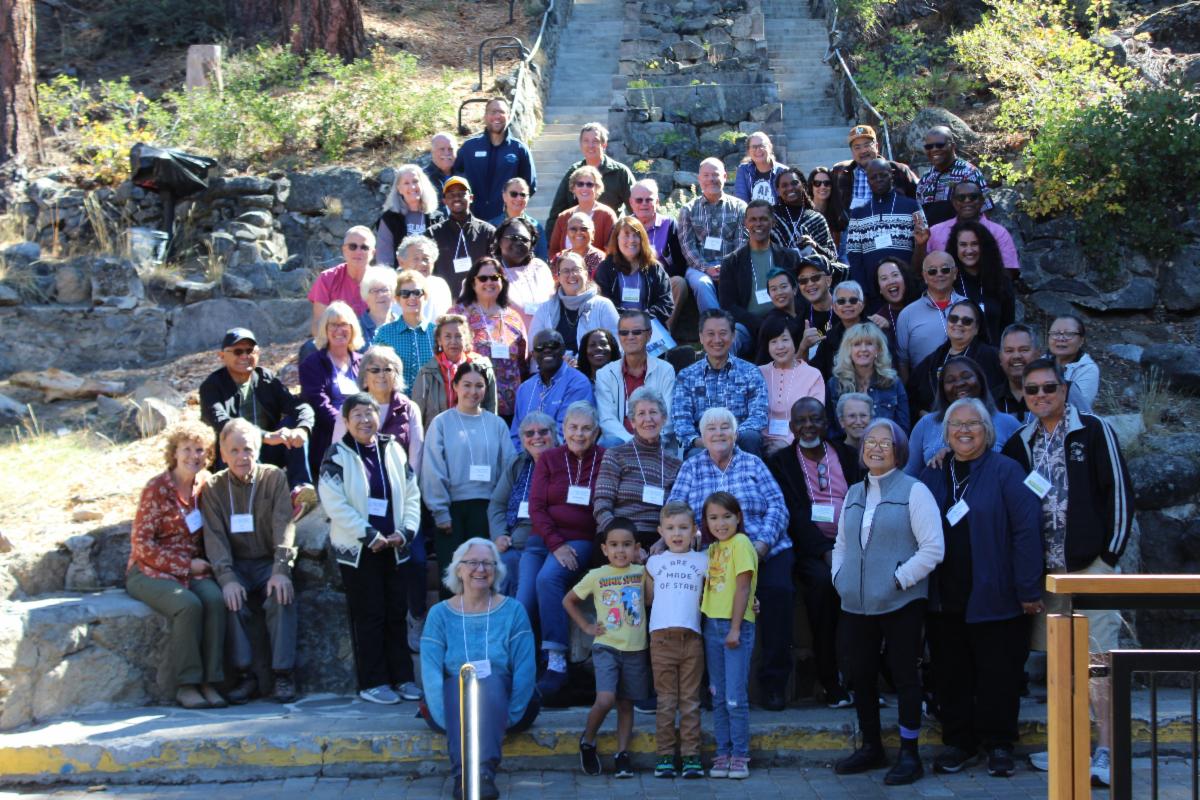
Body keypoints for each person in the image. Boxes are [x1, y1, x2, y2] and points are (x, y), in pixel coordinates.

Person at [1002, 357, 1133, 786]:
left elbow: (1119, 493)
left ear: (1064, 389)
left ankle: (1109, 751)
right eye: (1032, 390)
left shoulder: (1093, 430)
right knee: (1061, 665)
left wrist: (1108, 558)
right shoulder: (1019, 442)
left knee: (1099, 663)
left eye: (1048, 388)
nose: (1040, 395)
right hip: (1048, 574)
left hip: (1091, 566)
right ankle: (1070, 744)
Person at [917, 397, 1043, 778]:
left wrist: (1028, 588)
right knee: (951, 675)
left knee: (998, 675)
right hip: (944, 597)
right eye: (956, 424)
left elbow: (1026, 531)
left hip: (997, 594)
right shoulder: (933, 474)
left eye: (973, 424)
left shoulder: (1007, 471)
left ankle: (999, 744)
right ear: (946, 434)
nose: (964, 430)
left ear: (987, 431)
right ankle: (960, 743)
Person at [831, 418, 943, 784]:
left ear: (899, 451)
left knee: (904, 675)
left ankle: (910, 753)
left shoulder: (915, 491)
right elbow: (841, 544)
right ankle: (871, 746)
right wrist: (839, 578)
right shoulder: (853, 493)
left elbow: (932, 548)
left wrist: (898, 579)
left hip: (901, 602)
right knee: (861, 676)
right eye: (870, 442)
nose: (876, 448)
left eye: (885, 442)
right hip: (855, 603)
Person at [667, 407, 792, 711]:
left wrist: (761, 546)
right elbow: (676, 509)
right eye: (711, 429)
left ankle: (773, 683)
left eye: (725, 427)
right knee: (696, 601)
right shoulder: (692, 467)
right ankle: (710, 685)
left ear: (736, 434)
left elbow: (778, 506)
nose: (719, 433)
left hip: (763, 548)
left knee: (778, 592)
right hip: (713, 557)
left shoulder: (753, 463)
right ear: (702, 436)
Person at [318, 393, 424, 706]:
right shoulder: (337, 454)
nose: (365, 420)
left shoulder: (393, 448)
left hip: (394, 546)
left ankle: (402, 677)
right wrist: (369, 534)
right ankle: (374, 681)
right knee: (370, 615)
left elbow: (411, 493)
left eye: (370, 413)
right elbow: (334, 502)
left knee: (396, 613)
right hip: (360, 550)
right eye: (357, 415)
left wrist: (405, 531)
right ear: (346, 421)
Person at [420, 537, 538, 800]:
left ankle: (482, 775)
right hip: (452, 707)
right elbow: (430, 672)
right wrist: (445, 717)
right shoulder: (439, 614)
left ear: (497, 570)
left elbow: (525, 669)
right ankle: (465, 776)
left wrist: (507, 715)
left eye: (488, 563)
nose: (481, 569)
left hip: (507, 704)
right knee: (459, 683)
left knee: (490, 681)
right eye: (472, 562)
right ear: (458, 569)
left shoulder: (513, 611)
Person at [766, 398, 862, 708]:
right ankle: (830, 680)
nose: (809, 426)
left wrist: (851, 545)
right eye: (801, 421)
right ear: (792, 427)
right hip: (811, 550)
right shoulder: (781, 463)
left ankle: (867, 678)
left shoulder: (847, 455)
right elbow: (793, 513)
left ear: (827, 423)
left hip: (855, 543)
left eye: (815, 419)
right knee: (822, 584)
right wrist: (825, 552)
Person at [126, 420, 226, 709]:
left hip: (194, 569)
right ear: (174, 452)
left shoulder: (205, 483)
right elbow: (142, 544)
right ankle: (187, 684)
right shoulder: (157, 488)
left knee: (215, 600)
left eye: (200, 450)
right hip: (149, 570)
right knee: (188, 605)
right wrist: (185, 565)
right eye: (187, 449)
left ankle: (211, 680)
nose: (194, 456)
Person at [200, 419, 299, 704]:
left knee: (281, 596)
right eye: (234, 450)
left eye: (248, 449)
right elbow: (215, 538)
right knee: (230, 600)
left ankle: (283, 674)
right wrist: (227, 578)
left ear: (257, 450)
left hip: (268, 561)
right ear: (223, 453)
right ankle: (245, 676)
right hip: (237, 564)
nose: (242, 457)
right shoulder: (214, 487)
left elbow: (284, 525)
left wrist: (281, 569)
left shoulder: (273, 477)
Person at [526, 401, 606, 696]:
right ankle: (523, 668)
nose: (579, 434)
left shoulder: (605, 458)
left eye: (586, 428)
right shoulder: (549, 459)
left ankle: (556, 660)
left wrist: (562, 546)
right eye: (573, 427)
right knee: (522, 598)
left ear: (596, 432)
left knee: (548, 579)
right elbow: (536, 507)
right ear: (563, 429)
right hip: (544, 540)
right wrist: (555, 544)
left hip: (580, 539)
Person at [199, 327, 316, 514]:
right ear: (222, 356)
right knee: (236, 444)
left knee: (293, 425)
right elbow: (224, 424)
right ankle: (261, 503)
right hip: (234, 455)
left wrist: (302, 429)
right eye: (238, 351)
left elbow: (299, 406)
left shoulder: (265, 378)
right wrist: (266, 436)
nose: (245, 356)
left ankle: (299, 490)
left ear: (258, 353)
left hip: (268, 450)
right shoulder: (212, 387)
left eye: (250, 351)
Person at [566, 518, 649, 779]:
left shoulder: (642, 572)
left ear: (636, 548)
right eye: (614, 545)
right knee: (605, 699)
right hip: (606, 647)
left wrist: (649, 565)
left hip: (635, 648)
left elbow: (649, 600)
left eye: (626, 545)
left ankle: (622, 754)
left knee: (626, 704)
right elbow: (568, 601)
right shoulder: (596, 575)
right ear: (604, 549)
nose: (620, 550)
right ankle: (587, 740)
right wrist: (586, 626)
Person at [421, 362, 515, 590]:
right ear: (455, 386)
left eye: (479, 386)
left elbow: (509, 468)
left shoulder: (497, 424)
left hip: (488, 510)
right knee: (453, 581)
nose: (473, 391)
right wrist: (440, 511)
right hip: (451, 512)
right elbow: (432, 469)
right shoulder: (441, 423)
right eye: (467, 385)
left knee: (484, 579)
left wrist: (502, 513)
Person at [644, 502, 708, 780]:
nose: (677, 533)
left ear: (694, 530)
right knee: (666, 701)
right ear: (661, 532)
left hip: (692, 639)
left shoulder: (704, 561)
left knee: (690, 701)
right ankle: (665, 757)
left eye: (683, 527)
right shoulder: (654, 563)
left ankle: (692, 756)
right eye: (670, 528)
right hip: (661, 639)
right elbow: (649, 599)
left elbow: (712, 594)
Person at [699, 491, 759, 780]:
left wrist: (735, 628)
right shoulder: (711, 550)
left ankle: (740, 755)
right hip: (712, 627)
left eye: (726, 517)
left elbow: (743, 588)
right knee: (718, 696)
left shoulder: (741, 543)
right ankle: (722, 753)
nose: (720, 523)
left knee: (735, 697)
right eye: (713, 518)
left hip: (735, 627)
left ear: (739, 518)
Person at [593, 386, 683, 548]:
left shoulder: (674, 464)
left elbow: (677, 513)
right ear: (632, 422)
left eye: (653, 412)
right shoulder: (615, 455)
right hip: (615, 539)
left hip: (658, 541)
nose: (648, 419)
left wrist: (664, 541)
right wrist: (624, 543)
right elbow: (601, 505)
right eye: (641, 413)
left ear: (663, 418)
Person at [672, 310, 768, 458]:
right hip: (703, 445)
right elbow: (681, 422)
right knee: (694, 454)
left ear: (733, 336)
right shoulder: (686, 376)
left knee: (751, 437)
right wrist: (703, 442)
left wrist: (730, 438)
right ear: (701, 337)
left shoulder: (750, 372)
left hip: (739, 440)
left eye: (723, 333)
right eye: (710, 334)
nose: (717, 340)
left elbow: (759, 415)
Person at [906, 356, 1021, 474]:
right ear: (942, 388)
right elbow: (909, 475)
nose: (960, 383)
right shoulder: (926, 423)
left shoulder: (1008, 423)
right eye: (950, 380)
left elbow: (1021, 472)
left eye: (966, 377)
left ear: (980, 380)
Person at [719, 199, 802, 358]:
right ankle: (722, 374)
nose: (758, 224)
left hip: (786, 325)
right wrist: (760, 324)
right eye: (753, 219)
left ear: (773, 222)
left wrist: (779, 321)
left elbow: (799, 295)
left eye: (763, 219)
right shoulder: (731, 262)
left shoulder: (790, 257)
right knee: (729, 339)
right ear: (745, 223)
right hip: (748, 327)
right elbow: (728, 305)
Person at [449, 256, 529, 421]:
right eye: (483, 278)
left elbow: (523, 360)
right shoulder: (458, 315)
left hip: (510, 407)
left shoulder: (513, 317)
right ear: (473, 283)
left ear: (502, 281)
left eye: (494, 277)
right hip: (471, 403)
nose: (489, 282)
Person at [488, 411, 558, 595]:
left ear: (554, 434)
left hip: (548, 542)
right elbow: (497, 504)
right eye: (529, 433)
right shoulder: (518, 464)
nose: (536, 437)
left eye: (543, 432)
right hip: (515, 541)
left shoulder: (564, 462)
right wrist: (499, 535)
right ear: (522, 439)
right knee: (502, 561)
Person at [299, 302, 365, 481]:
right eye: (333, 325)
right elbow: (318, 403)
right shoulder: (312, 364)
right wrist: (348, 426)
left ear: (352, 328)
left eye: (344, 324)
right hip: (328, 439)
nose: (339, 330)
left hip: (364, 431)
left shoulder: (364, 362)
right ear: (325, 329)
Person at [908, 300, 1004, 416]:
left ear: (977, 328)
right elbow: (911, 394)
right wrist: (927, 416)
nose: (958, 324)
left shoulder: (991, 356)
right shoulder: (934, 359)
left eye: (966, 321)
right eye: (953, 319)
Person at [595, 310, 677, 447]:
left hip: (656, 443)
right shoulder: (604, 374)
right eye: (624, 333)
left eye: (637, 332)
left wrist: (648, 442)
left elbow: (667, 417)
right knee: (609, 442)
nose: (630, 337)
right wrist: (633, 444)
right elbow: (607, 420)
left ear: (649, 335)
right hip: (620, 445)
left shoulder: (666, 370)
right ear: (619, 336)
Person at [676, 158, 748, 314]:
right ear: (699, 179)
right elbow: (687, 247)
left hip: (732, 266)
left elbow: (742, 243)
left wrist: (726, 267)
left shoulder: (740, 207)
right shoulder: (688, 209)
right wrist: (706, 268)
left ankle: (736, 325)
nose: (711, 179)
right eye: (706, 175)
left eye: (715, 174)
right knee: (702, 284)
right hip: (699, 268)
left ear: (725, 177)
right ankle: (713, 323)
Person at [452, 97, 536, 221]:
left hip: (505, 223)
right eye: (493, 112)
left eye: (502, 112)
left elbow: (529, 186)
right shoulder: (469, 148)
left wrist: (512, 208)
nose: (497, 116)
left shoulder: (519, 149)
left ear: (509, 116)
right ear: (485, 116)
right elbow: (455, 179)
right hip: (472, 221)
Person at [843, 158, 920, 293]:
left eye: (883, 175)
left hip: (909, 287)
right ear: (868, 181)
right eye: (873, 177)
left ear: (892, 175)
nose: (878, 179)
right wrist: (863, 290)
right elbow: (854, 256)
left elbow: (921, 245)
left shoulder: (912, 206)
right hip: (873, 291)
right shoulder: (858, 213)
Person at [410, 313, 498, 429]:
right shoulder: (426, 373)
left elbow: (491, 408)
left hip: (474, 434)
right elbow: (417, 417)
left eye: (458, 336)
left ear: (466, 339)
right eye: (447, 336)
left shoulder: (483, 367)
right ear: (439, 341)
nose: (453, 341)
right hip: (439, 435)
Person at [509, 329, 595, 446]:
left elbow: (567, 434)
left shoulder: (578, 383)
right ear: (533, 354)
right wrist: (521, 455)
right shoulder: (524, 388)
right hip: (526, 454)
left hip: (561, 455)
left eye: (553, 345)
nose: (547, 350)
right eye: (540, 347)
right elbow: (515, 435)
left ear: (563, 349)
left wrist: (537, 453)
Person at [756, 315, 825, 456]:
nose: (780, 346)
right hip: (759, 444)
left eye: (785, 340)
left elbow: (815, 417)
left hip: (798, 443)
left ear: (795, 341)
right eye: (773, 342)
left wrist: (788, 442)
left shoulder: (812, 375)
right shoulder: (758, 373)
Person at [528, 251, 619, 359]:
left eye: (576, 269)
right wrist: (560, 360)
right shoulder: (545, 309)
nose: (571, 275)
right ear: (558, 277)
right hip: (554, 366)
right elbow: (533, 345)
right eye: (565, 271)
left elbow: (616, 344)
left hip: (592, 367)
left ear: (586, 274)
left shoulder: (603, 306)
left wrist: (581, 361)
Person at [829, 124, 918, 234]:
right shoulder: (841, 172)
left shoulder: (899, 170)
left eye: (867, 145)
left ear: (876, 146)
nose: (863, 151)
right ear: (852, 151)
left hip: (893, 230)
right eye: (857, 147)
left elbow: (919, 197)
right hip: (853, 232)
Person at [545, 122, 636, 227]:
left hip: (611, 233)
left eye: (595, 141)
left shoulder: (620, 173)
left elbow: (637, 207)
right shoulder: (573, 173)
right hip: (580, 233)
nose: (590, 146)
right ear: (581, 145)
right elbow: (556, 213)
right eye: (586, 141)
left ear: (604, 144)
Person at [827, 322, 910, 436]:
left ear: (878, 350)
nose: (863, 349)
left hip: (884, 445)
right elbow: (831, 429)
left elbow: (902, 430)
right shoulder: (835, 384)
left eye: (869, 344)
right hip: (845, 446)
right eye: (857, 344)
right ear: (848, 350)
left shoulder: (893, 383)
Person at [895, 251, 967, 379]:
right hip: (924, 386)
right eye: (932, 271)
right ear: (924, 276)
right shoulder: (907, 314)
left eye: (945, 269)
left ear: (955, 273)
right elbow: (902, 361)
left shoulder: (969, 307)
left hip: (965, 383)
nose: (939, 274)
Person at [922, 179, 1020, 272]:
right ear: (953, 202)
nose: (967, 201)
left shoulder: (999, 233)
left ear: (981, 201)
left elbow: (1010, 271)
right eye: (961, 198)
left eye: (973, 197)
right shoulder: (935, 232)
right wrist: (920, 245)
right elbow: (921, 270)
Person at [594, 216, 675, 326]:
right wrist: (628, 320)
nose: (631, 240)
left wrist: (643, 318)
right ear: (616, 239)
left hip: (649, 325)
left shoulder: (654, 268)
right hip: (615, 325)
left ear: (642, 239)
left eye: (636, 235)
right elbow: (603, 303)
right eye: (626, 235)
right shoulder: (605, 268)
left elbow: (666, 303)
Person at [945, 221, 1015, 345]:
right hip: (956, 354)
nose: (969, 250)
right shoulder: (947, 281)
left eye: (974, 244)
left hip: (992, 354)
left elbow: (1007, 328)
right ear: (955, 248)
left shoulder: (1001, 281)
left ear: (984, 246)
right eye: (963, 245)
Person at [629, 180, 687, 328]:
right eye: (639, 200)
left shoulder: (669, 224)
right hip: (631, 282)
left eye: (649, 200)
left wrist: (657, 277)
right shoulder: (623, 226)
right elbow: (614, 261)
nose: (644, 204)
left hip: (661, 281)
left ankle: (663, 333)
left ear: (657, 201)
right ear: (631, 202)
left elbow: (680, 263)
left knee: (679, 283)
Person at [913, 127, 993, 226]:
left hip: (962, 234)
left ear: (953, 146)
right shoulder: (925, 179)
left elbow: (986, 212)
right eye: (929, 147)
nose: (934, 149)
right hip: (933, 235)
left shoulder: (969, 173)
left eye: (940, 145)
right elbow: (920, 216)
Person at [427, 177, 497, 290]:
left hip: (480, 297)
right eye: (451, 195)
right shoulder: (432, 234)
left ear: (471, 197)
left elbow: (496, 270)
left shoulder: (488, 231)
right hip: (447, 298)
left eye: (461, 194)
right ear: (444, 200)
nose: (456, 198)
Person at [374, 269, 437, 391]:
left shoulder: (437, 333)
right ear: (398, 299)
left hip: (432, 401)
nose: (412, 297)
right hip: (396, 400)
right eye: (405, 293)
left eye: (417, 293)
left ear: (425, 296)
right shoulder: (384, 333)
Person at [307, 227, 374, 342]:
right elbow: (318, 323)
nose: (358, 251)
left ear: (373, 253)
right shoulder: (327, 279)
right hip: (336, 340)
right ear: (344, 250)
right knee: (308, 348)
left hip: (374, 340)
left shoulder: (383, 281)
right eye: (352, 246)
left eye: (364, 247)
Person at [493, 215, 554, 332]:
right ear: (500, 241)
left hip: (543, 339)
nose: (519, 242)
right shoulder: (492, 272)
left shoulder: (540, 267)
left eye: (524, 239)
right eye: (513, 238)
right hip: (507, 339)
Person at [375, 163, 441, 265]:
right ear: (399, 189)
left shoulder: (437, 217)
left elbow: (444, 253)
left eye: (415, 181)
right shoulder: (389, 219)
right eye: (406, 183)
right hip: (401, 274)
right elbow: (384, 257)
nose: (412, 187)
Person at [548, 166, 618, 259]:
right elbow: (554, 251)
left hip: (597, 267)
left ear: (597, 188)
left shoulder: (607, 215)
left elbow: (612, 251)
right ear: (573, 188)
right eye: (580, 184)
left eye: (589, 184)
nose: (584, 188)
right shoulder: (563, 217)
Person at [810, 280, 876, 377]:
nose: (847, 304)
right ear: (834, 307)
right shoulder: (830, 337)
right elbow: (816, 372)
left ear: (862, 305)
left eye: (853, 300)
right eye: (841, 301)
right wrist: (804, 348)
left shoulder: (876, 332)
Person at [770, 168, 837, 260]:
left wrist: (815, 245)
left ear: (803, 186)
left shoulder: (816, 218)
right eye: (784, 185)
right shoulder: (770, 217)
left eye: (794, 183)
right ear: (778, 191)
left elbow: (833, 256)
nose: (790, 188)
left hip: (811, 268)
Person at [488, 177, 549, 262]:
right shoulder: (491, 227)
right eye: (514, 194)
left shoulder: (536, 227)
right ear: (504, 196)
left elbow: (542, 259)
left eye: (523, 195)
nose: (519, 198)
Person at [396, 235, 453, 324]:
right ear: (401, 262)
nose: (422, 263)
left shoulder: (440, 285)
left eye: (426, 259)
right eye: (416, 259)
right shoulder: (392, 287)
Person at [1049, 314, 1099, 413]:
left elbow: (1078, 407)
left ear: (1081, 340)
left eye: (1069, 334)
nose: (1061, 338)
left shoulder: (1087, 369)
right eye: (1055, 333)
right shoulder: (1039, 362)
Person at [868, 257, 917, 355]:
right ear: (880, 289)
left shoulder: (922, 305)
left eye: (895, 275)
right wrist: (887, 330)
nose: (891, 281)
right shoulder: (880, 318)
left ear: (905, 279)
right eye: (884, 278)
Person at [993, 323, 1038, 422]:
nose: (1016, 356)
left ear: (1037, 354)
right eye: (1009, 351)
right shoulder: (990, 401)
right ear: (1000, 357)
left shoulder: (1054, 393)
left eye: (1024, 350)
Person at [734, 131, 788, 204]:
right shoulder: (743, 170)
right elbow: (741, 201)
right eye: (754, 147)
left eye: (762, 145)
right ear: (748, 151)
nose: (758, 150)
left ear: (770, 147)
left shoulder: (783, 172)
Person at [357, 265, 399, 349]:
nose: (380, 295)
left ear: (393, 294)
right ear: (366, 296)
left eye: (385, 290)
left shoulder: (403, 325)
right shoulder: (357, 327)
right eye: (374, 291)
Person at [559, 210, 608, 277]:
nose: (578, 232)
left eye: (584, 229)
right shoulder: (560, 257)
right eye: (573, 229)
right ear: (567, 233)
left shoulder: (600, 259)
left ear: (593, 233)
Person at [807, 166, 841, 248]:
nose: (822, 187)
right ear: (811, 187)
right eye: (817, 183)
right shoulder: (804, 213)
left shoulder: (838, 214)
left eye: (827, 183)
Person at [424, 132, 457, 199]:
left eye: (450, 149)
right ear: (432, 151)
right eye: (442, 149)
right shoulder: (423, 178)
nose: (446, 153)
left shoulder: (465, 175)